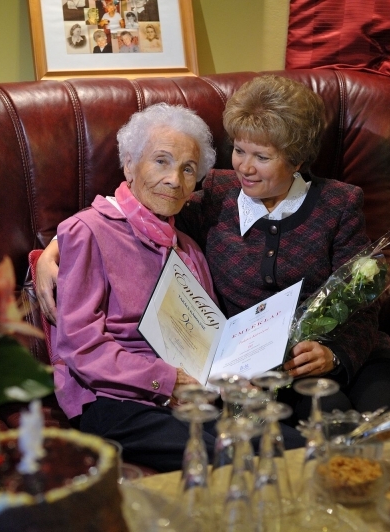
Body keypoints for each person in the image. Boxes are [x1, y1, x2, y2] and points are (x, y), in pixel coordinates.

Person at [37, 75, 390, 422]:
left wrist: (335, 354)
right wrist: (55, 248)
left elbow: (363, 300)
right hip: (270, 372)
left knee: (386, 421)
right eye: (240, 151)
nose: (245, 168)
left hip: (349, 354)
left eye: (262, 158)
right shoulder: (217, 195)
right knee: (328, 419)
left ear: (297, 160)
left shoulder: (339, 203)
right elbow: (137, 210)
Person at [50, 103, 305, 472]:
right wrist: (167, 381)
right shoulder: (88, 231)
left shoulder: (188, 249)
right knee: (234, 458)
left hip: (192, 397)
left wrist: (229, 380)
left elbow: (208, 341)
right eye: (161, 161)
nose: (174, 179)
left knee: (292, 447)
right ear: (129, 166)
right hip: (113, 398)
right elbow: (80, 346)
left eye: (188, 169)